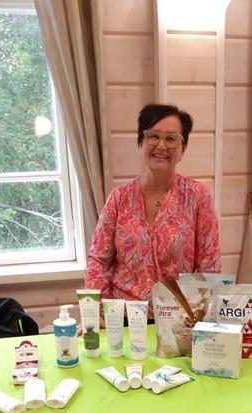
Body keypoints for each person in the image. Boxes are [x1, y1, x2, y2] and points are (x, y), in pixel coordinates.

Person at [85, 104, 221, 308]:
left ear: (183, 148)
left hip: (179, 318)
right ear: (141, 142)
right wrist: (98, 312)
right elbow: (98, 262)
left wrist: (200, 317)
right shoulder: (119, 198)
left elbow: (209, 267)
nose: (161, 146)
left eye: (171, 139)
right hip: (123, 316)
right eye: (153, 136)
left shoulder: (198, 197)